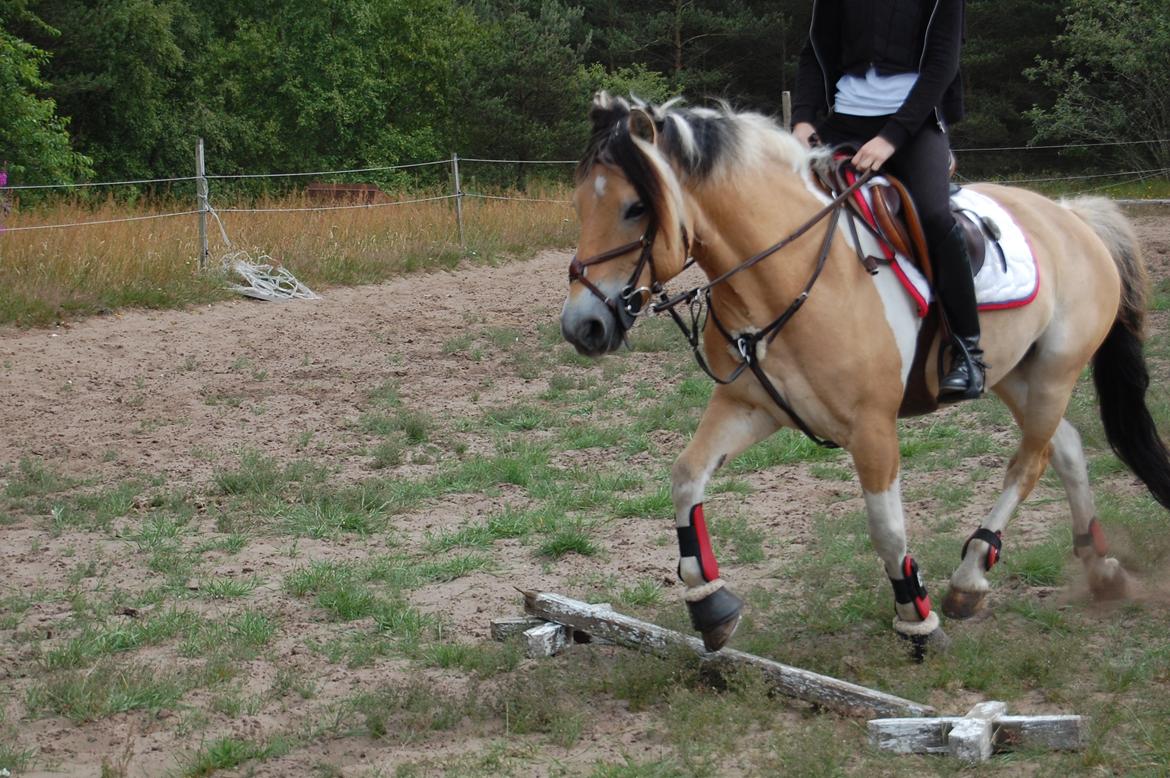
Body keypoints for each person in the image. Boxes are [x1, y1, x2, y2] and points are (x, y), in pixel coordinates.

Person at [792, 0, 984, 402]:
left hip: (914, 123)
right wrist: (803, 118)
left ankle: (968, 350)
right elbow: (814, 51)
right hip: (843, 119)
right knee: (785, 204)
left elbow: (942, 67)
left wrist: (891, 138)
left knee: (933, 215)